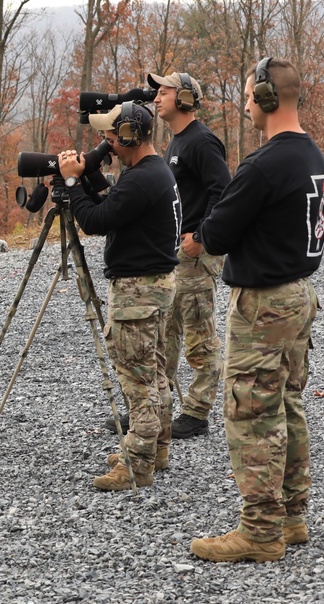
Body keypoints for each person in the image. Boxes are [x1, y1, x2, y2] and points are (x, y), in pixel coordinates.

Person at [186, 58, 324, 563]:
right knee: (286, 406)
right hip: (297, 297)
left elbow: (216, 234)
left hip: (265, 306)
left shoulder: (264, 164)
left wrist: (195, 237)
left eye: (249, 95)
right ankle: (291, 517)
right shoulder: (313, 156)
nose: (246, 104)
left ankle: (261, 530)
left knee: (251, 412)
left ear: (267, 98)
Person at [58, 102, 180, 491]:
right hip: (156, 287)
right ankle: (155, 449)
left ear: (129, 135)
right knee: (155, 373)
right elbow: (115, 207)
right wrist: (89, 176)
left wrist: (73, 183)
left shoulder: (142, 179)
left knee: (138, 381)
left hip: (138, 292)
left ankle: (136, 466)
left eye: (111, 136)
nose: (106, 143)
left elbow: (95, 221)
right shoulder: (151, 172)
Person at [105, 72, 231, 441]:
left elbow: (223, 191)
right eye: (157, 93)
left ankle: (197, 411)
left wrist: (202, 238)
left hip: (195, 255)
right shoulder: (177, 141)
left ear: (187, 99)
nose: (156, 98)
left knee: (199, 336)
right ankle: (153, 412)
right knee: (166, 335)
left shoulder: (202, 142)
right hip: (178, 253)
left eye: (164, 92)